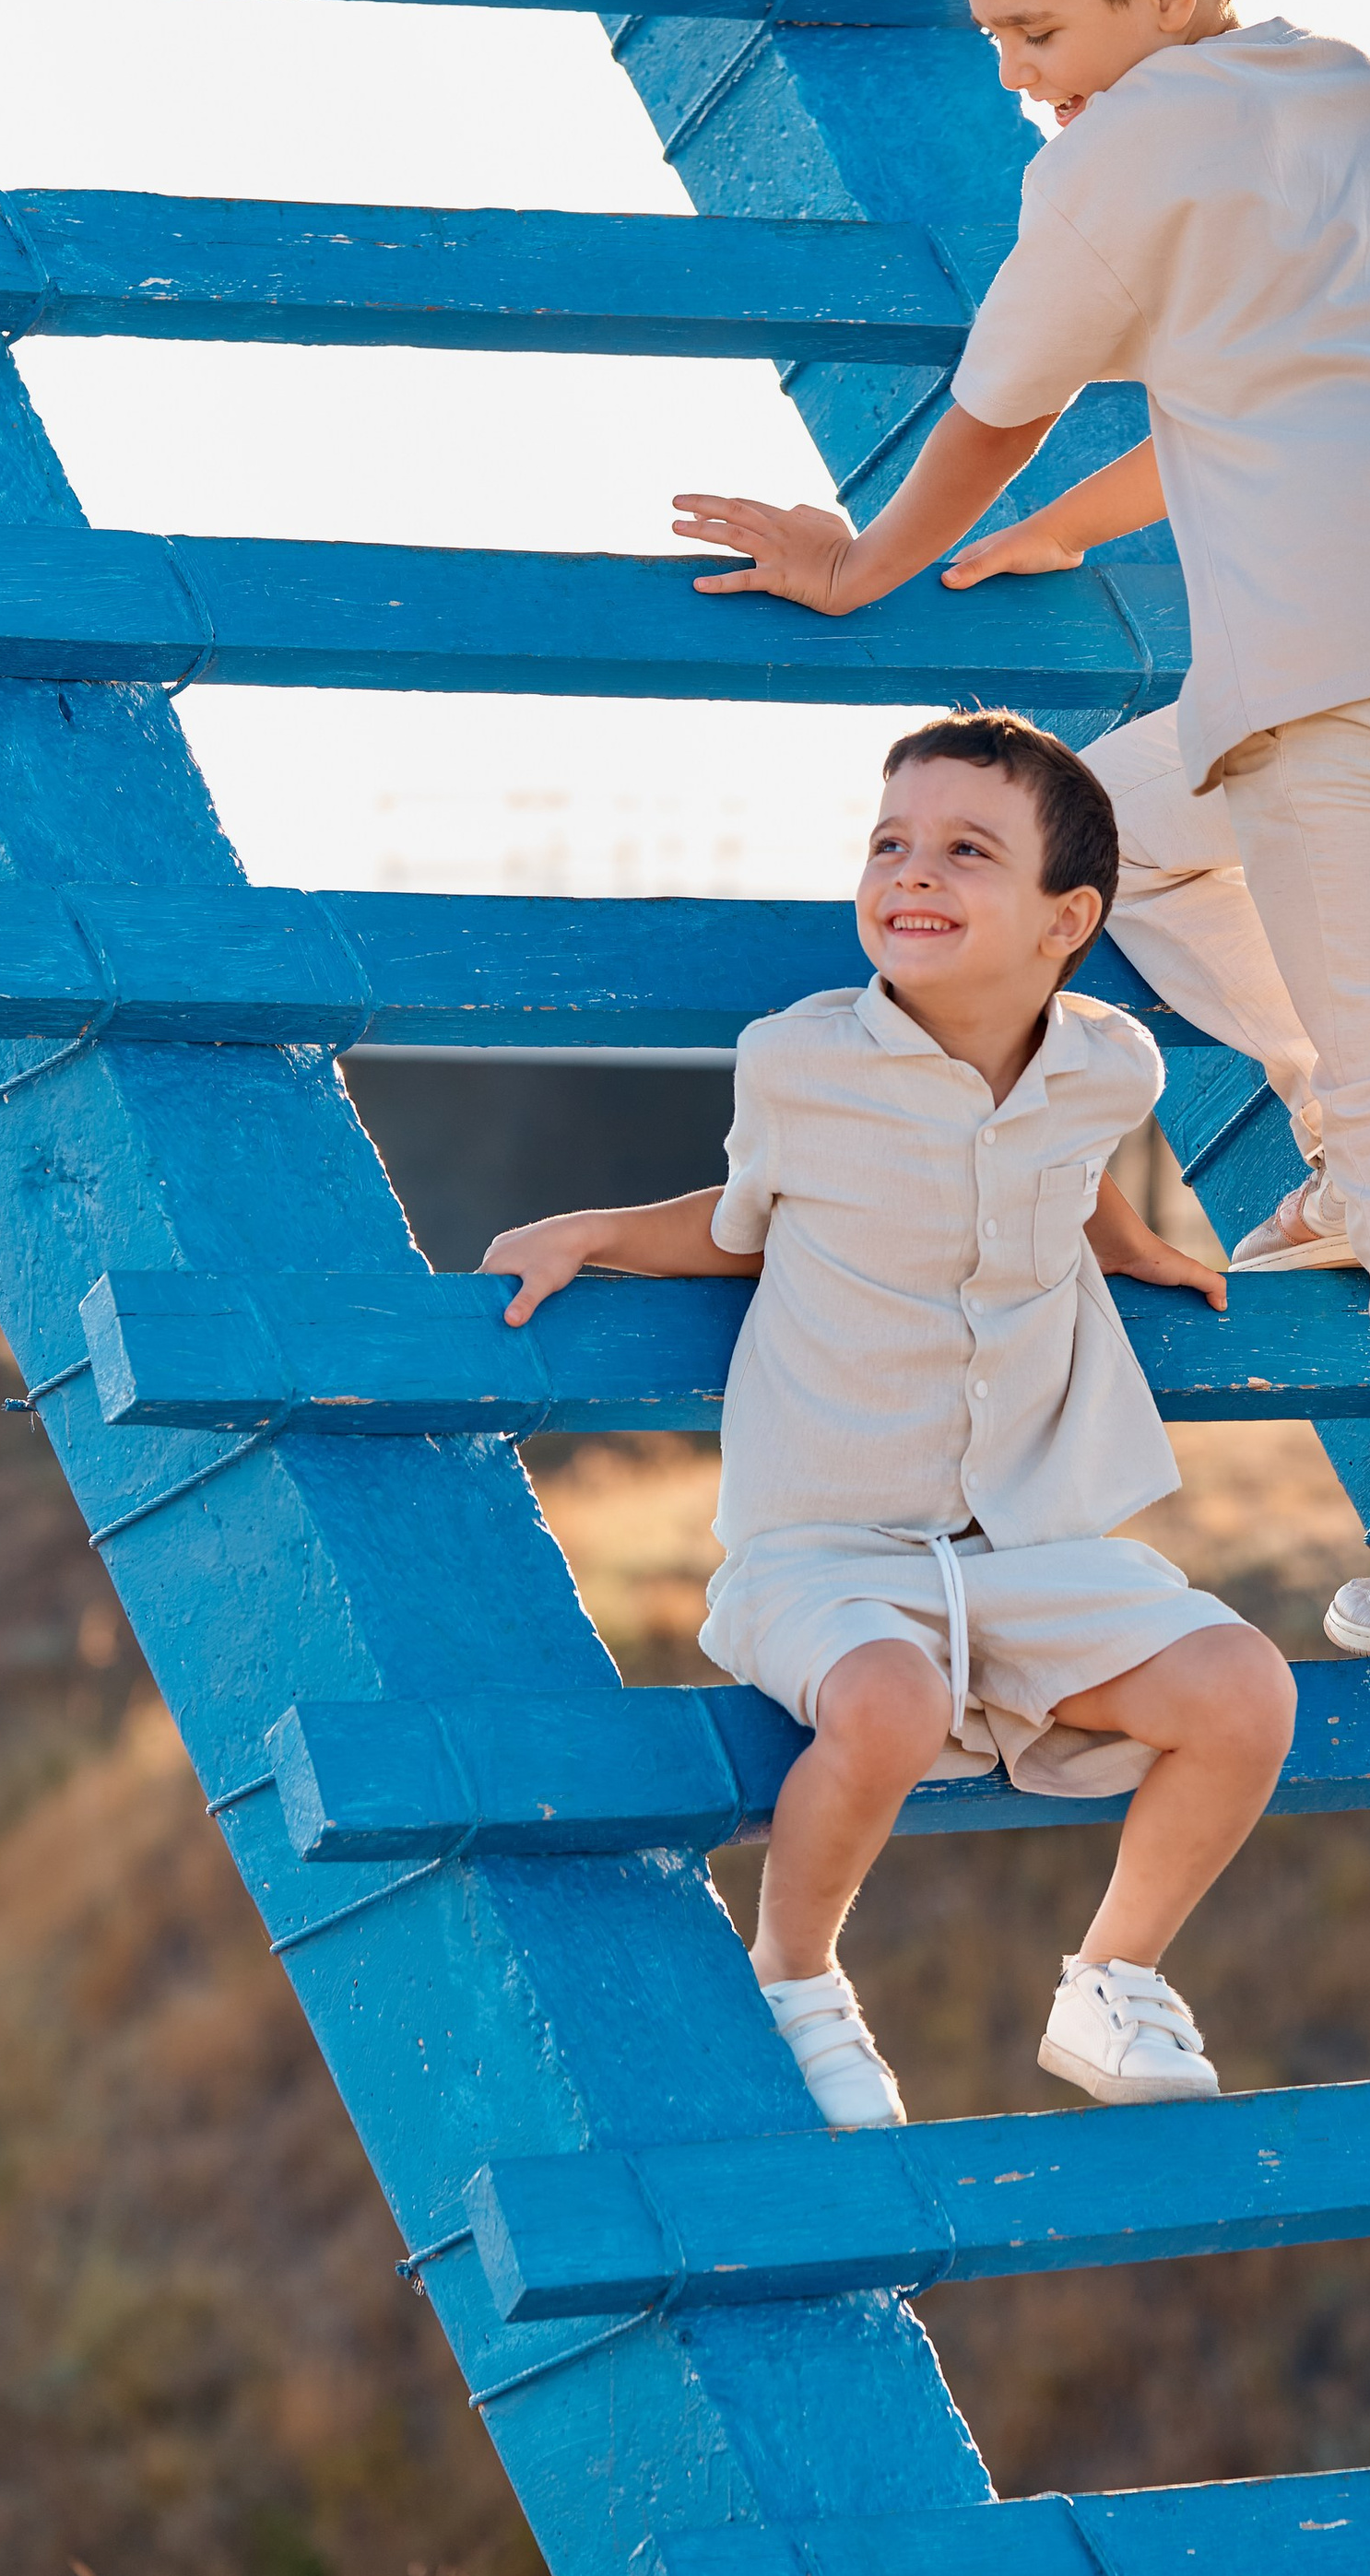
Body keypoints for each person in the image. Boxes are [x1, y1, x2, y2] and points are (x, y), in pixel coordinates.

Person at [672, 0, 1370, 1697]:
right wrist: (1067, 535)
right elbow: (1268, 380)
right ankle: (1332, 1141)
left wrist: (870, 566)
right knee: (1113, 840)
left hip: (1327, 686)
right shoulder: (1340, 95)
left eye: (1037, 31)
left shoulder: (1117, 151)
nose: (1021, 79)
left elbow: (1002, 396)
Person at [481, 712, 1298, 2129]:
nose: (911, 873)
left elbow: (1070, 1151)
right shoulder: (802, 1063)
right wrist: (604, 1230)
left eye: (967, 852)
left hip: (1030, 1544)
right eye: (890, 844)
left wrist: (1131, 1242)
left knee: (1246, 1692)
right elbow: (744, 1226)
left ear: (1068, 921)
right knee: (891, 1702)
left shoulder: (1113, 1062)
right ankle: (796, 1978)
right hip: (826, 1552)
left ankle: (1114, 1977)